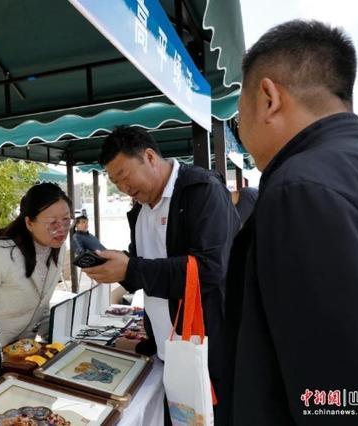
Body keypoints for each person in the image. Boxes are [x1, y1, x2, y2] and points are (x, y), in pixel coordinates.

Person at [220, 20, 358, 425]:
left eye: (237, 112)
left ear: (268, 98)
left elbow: (344, 398)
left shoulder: (300, 191)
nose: (239, 129)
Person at [82, 126, 240, 407]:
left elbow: (210, 269)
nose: (124, 187)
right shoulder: (140, 210)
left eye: (124, 176)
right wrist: (115, 266)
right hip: (166, 351)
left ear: (150, 157)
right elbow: (146, 266)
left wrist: (131, 269)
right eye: (115, 183)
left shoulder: (202, 190)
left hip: (209, 351)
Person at [0, 182, 72, 347]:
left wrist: (61, 333)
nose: (61, 229)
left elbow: (40, 308)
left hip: (22, 354)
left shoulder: (57, 249)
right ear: (29, 223)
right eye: (52, 222)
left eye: (66, 220)